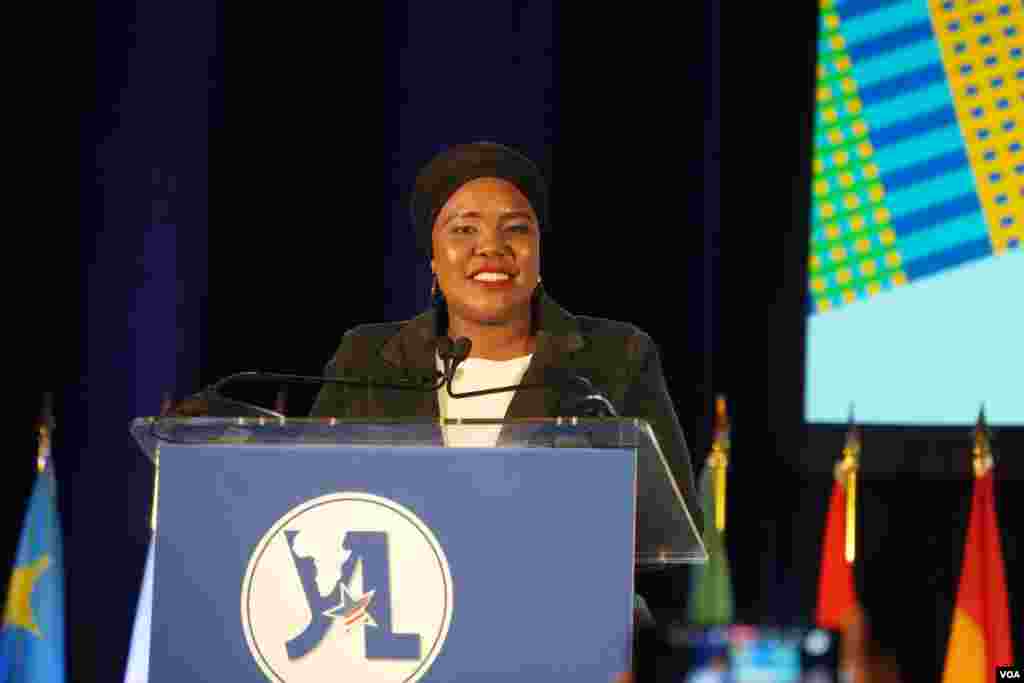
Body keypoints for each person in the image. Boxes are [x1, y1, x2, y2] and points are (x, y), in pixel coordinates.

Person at [309, 141, 703, 681]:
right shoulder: (366, 359)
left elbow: (672, 519)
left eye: (515, 229)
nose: (490, 248)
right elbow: (314, 505)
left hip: (564, 645)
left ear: (539, 251)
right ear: (432, 254)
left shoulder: (616, 358)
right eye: (463, 229)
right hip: (392, 645)